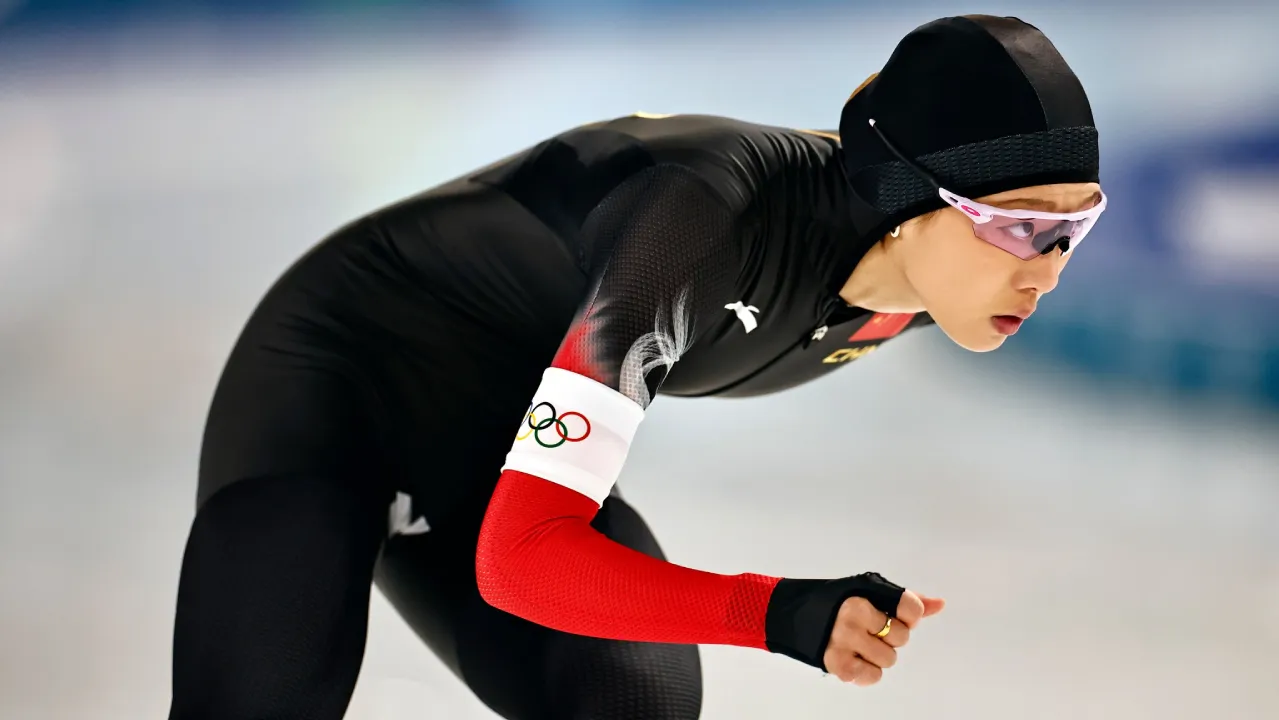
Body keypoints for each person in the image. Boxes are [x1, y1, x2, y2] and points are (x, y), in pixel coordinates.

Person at [168, 13, 1107, 720]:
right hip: (340, 384)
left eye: (1075, 227)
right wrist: (775, 613)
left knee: (633, 700)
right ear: (906, 201)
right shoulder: (703, 223)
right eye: (1020, 226)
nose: (1049, 270)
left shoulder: (940, 277)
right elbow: (524, 558)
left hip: (490, 442)